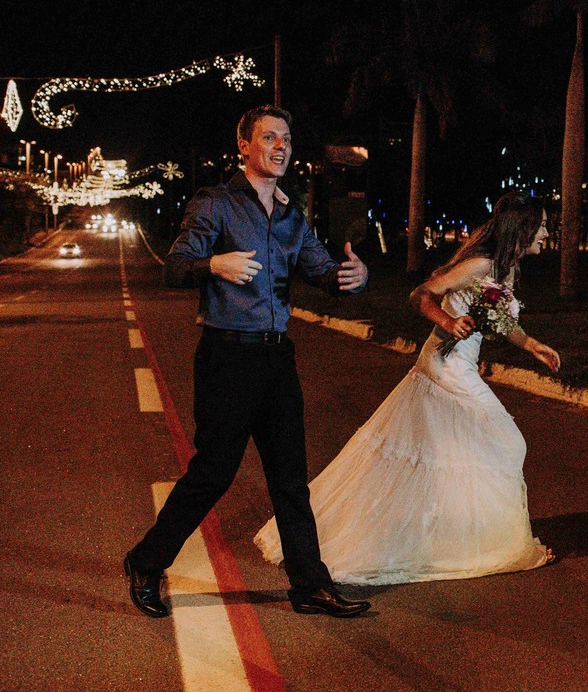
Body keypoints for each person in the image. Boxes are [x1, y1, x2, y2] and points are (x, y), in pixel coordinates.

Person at [124, 105, 372, 619]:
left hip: (277, 359)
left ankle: (309, 585)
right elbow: (174, 267)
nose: (281, 147)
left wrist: (353, 276)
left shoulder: (290, 215)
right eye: (269, 138)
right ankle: (147, 562)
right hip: (227, 358)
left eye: (286, 138)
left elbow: (322, 271)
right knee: (214, 472)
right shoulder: (215, 204)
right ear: (245, 146)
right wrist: (213, 262)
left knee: (290, 479)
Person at [254, 191, 560, 584]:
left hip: (459, 364)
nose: (547, 232)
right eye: (543, 226)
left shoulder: (506, 269)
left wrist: (532, 345)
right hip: (446, 364)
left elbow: (501, 320)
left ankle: (463, 535)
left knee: (459, 452)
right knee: (508, 441)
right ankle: (496, 543)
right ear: (523, 230)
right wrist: (449, 323)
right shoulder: (480, 264)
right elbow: (421, 294)